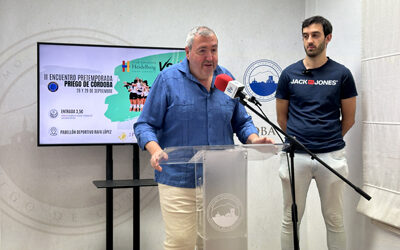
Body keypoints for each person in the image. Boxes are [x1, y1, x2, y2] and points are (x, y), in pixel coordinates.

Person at [134, 26, 273, 250]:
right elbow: (145, 124)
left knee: (220, 244)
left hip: (221, 181)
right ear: (187, 52)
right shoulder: (168, 80)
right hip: (179, 180)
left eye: (214, 50)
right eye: (202, 51)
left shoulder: (226, 80)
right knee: (181, 244)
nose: (210, 57)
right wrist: (155, 150)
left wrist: (254, 139)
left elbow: (242, 121)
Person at [275, 16, 358, 250]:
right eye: (305, 36)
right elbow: (282, 118)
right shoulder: (289, 74)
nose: (309, 41)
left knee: (335, 220)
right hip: (295, 156)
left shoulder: (342, 74)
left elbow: (349, 119)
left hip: (331, 156)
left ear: (328, 38)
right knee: (290, 220)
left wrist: (326, 139)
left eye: (315, 35)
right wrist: (302, 139)